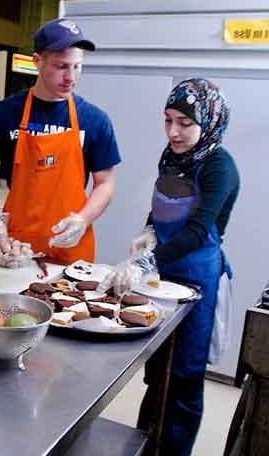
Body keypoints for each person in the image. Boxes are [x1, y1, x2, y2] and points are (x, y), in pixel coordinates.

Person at [98, 78, 240, 455]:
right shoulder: (173, 154)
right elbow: (164, 202)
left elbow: (196, 230)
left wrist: (145, 261)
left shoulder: (218, 167)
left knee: (185, 376)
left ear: (208, 123)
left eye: (185, 124)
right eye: (168, 120)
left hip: (196, 278)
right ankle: (147, 443)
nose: (174, 132)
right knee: (158, 367)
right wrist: (149, 227)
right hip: (162, 275)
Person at [0, 18, 121, 264]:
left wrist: (82, 220)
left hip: (71, 245)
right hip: (17, 245)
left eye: (77, 67)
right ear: (37, 61)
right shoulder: (3, 114)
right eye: (62, 66)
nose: (71, 78)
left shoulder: (95, 120)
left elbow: (105, 183)